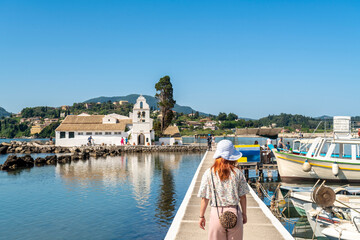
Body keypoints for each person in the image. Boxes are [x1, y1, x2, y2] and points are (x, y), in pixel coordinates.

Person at [198, 140, 249, 240]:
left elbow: (205, 198)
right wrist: (244, 214)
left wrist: (201, 216)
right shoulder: (237, 173)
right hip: (234, 213)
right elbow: (243, 196)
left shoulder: (209, 173)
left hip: (216, 214)